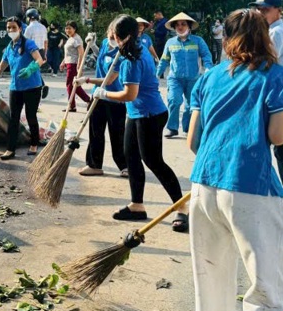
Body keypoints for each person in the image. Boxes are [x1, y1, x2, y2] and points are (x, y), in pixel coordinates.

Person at [186, 8, 283, 311]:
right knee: (266, 288)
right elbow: (277, 136)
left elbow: (194, 141)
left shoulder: (210, 77)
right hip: (250, 189)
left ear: (226, 37)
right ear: (265, 36)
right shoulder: (277, 76)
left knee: (210, 276)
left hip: (204, 187)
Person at [93, 15, 187, 229]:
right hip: (137, 114)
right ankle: (137, 205)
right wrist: (89, 81)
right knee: (132, 157)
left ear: (120, 36)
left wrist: (104, 95)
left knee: (154, 161)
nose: (111, 39)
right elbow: (110, 77)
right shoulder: (128, 51)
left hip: (150, 115)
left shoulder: (132, 59)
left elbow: (129, 94)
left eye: (113, 36)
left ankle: (182, 207)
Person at [250, 0, 283, 209]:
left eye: (266, 9)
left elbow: (265, 63)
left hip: (280, 100)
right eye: (259, 9)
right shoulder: (275, 31)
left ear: (278, 10)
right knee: (281, 146)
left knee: (275, 145)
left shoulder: (277, 33)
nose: (261, 13)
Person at [0, 16, 46, 160]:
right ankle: (10, 149)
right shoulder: (9, 48)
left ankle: (34, 143)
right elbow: (1, 67)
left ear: (20, 29)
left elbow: (39, 59)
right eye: (8, 28)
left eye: (13, 27)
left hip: (32, 87)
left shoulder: (28, 44)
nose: (11, 30)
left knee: (31, 116)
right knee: (13, 118)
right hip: (16, 87)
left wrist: (31, 68)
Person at [75, 22, 128, 177]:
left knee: (117, 134)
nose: (111, 36)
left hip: (115, 98)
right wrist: (92, 46)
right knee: (95, 131)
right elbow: (101, 57)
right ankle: (94, 164)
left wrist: (87, 80)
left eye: (115, 34)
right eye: (110, 32)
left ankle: (125, 165)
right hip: (98, 95)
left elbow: (109, 80)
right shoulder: (105, 43)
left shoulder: (123, 53)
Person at [157, 13, 213, 139]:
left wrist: (209, 69)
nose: (180, 27)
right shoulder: (170, 43)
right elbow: (164, 60)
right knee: (173, 100)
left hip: (193, 79)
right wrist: (156, 75)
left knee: (190, 105)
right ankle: (172, 128)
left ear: (189, 26)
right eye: (177, 25)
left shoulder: (198, 41)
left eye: (183, 24)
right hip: (175, 79)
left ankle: (188, 128)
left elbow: (206, 56)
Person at [60, 20, 91, 111]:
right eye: (66, 28)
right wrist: (63, 62)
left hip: (74, 64)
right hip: (69, 63)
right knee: (75, 85)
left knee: (70, 85)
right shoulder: (70, 38)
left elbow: (81, 53)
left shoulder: (77, 38)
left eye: (70, 28)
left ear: (75, 29)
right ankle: (88, 100)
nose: (67, 30)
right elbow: (68, 54)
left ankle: (72, 105)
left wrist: (79, 65)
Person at [24, 8, 49, 99]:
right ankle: (40, 86)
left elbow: (25, 42)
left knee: (31, 70)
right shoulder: (43, 27)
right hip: (41, 51)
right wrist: (45, 54)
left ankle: (40, 86)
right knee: (35, 69)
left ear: (29, 18)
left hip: (33, 51)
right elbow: (46, 42)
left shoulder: (29, 28)